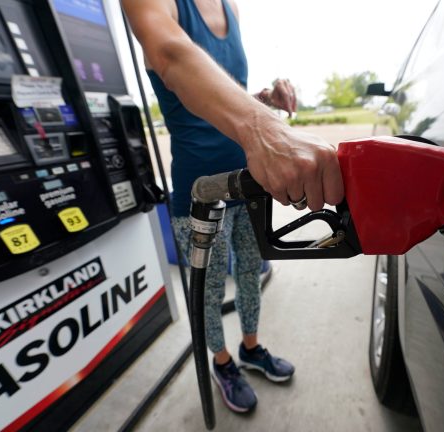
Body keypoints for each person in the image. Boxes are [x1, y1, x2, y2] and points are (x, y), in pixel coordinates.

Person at [122, 0, 344, 413]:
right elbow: (169, 54)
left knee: (249, 271)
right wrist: (265, 127)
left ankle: (250, 348)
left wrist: (262, 100)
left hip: (246, 182)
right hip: (200, 192)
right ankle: (222, 364)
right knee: (206, 293)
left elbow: (221, 93)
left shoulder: (231, 8)